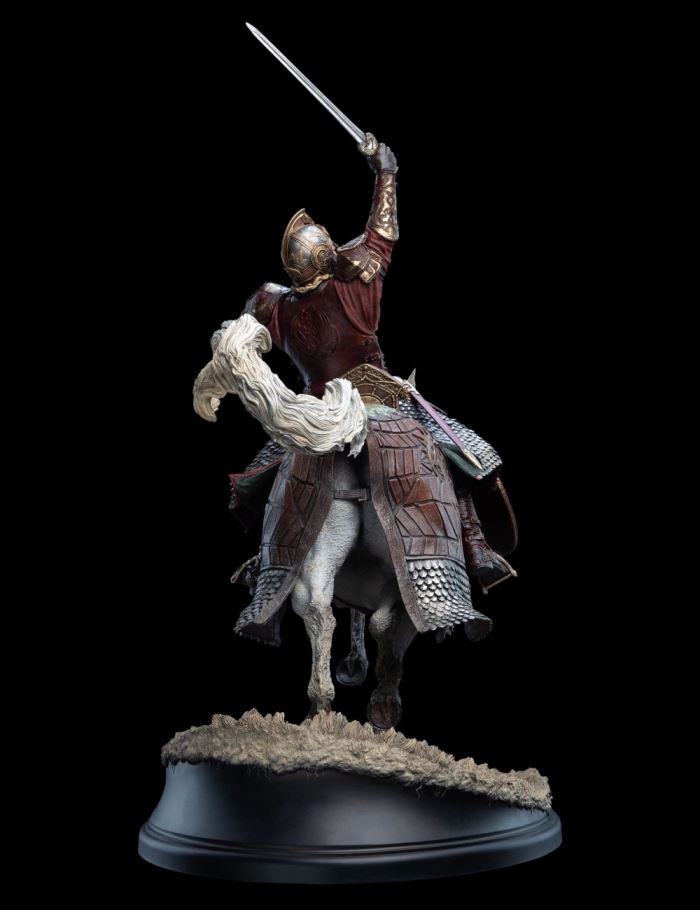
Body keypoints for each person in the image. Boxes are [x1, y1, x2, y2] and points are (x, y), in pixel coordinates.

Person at [212, 140, 517, 649]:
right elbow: (382, 230)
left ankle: (264, 562)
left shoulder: (275, 307)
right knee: (465, 454)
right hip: (382, 399)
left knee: (261, 476)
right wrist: (386, 170)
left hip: (316, 409)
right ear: (328, 256)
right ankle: (476, 548)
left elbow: (242, 334)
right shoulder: (354, 285)